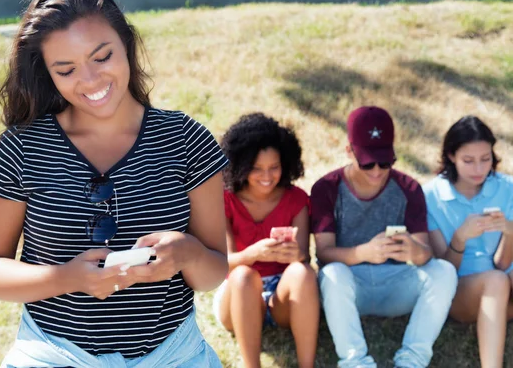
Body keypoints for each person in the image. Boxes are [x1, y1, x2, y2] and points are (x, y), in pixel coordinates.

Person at [0, 0, 229, 368]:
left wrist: (187, 254)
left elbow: (213, 273)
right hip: (53, 354)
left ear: (126, 44)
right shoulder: (21, 148)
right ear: (48, 74)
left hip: (173, 355)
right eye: (66, 69)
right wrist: (68, 278)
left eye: (102, 57)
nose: (90, 80)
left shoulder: (185, 140)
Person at [311, 106, 457, 368]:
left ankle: (412, 360)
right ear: (349, 151)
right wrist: (362, 253)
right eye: (367, 162)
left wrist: (415, 251)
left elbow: (425, 253)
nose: (377, 171)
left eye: (385, 162)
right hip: (348, 289)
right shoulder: (326, 188)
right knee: (332, 274)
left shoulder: (408, 187)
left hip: (396, 283)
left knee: (444, 271)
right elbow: (323, 252)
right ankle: (356, 362)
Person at [213, 113, 320, 368]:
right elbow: (222, 263)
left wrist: (294, 255)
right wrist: (254, 254)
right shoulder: (226, 200)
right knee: (242, 275)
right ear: (240, 165)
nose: (267, 176)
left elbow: (303, 255)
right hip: (238, 294)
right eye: (257, 168)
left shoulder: (296, 200)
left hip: (283, 297)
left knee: (302, 272)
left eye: (274, 167)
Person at [423, 115, 513, 367]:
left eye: (485, 159)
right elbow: (444, 271)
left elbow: (503, 262)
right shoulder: (430, 196)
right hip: (459, 291)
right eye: (468, 161)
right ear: (451, 156)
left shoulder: (508, 188)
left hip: (502, 283)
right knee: (495, 281)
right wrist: (460, 238)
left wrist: (510, 231)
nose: (479, 169)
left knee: (499, 279)